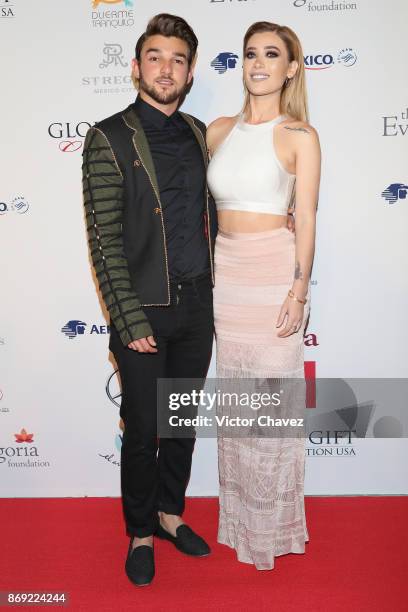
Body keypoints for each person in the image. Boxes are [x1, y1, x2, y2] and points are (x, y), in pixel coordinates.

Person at [82, 14, 218, 587]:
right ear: (137, 67)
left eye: (179, 59)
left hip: (197, 308)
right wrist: (129, 318)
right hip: (142, 312)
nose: (167, 68)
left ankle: (169, 514)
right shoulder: (108, 136)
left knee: (180, 422)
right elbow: (103, 239)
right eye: (156, 57)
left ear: (189, 72)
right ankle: (140, 531)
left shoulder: (197, 131)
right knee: (142, 428)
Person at [207, 21, 321, 570]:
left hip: (274, 271)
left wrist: (299, 291)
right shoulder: (218, 131)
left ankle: (273, 531)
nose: (257, 64)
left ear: (291, 67)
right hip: (226, 276)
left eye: (271, 55)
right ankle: (239, 523)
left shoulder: (300, 134)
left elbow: (308, 217)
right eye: (250, 54)